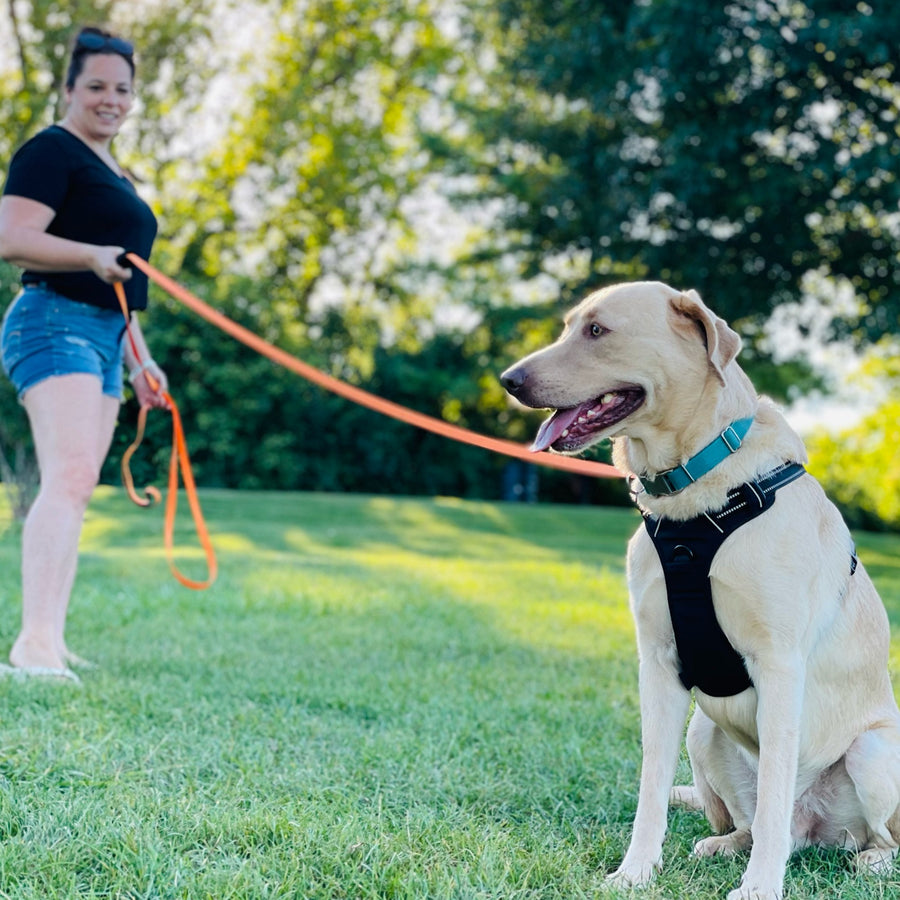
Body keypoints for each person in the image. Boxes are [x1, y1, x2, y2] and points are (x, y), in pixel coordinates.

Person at [0, 25, 169, 680]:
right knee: (67, 477)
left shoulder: (114, 173)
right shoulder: (50, 151)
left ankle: (51, 638)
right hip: (51, 321)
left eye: (122, 89)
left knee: (77, 487)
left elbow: (122, 286)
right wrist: (88, 254)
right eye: (96, 86)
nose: (111, 99)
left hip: (104, 334)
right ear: (69, 89)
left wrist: (140, 360)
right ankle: (33, 646)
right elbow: (12, 237)